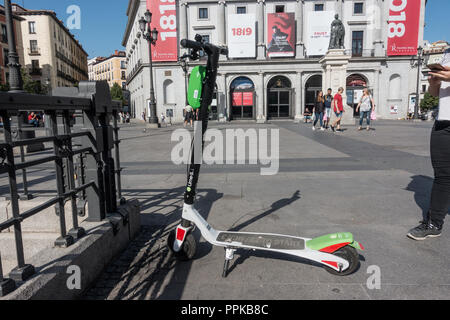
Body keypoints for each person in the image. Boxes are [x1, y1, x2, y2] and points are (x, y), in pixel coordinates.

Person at [407, 49, 450, 240]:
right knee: (442, 175)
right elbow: (435, 93)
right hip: (444, 121)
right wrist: (434, 83)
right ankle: (434, 223)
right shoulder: (447, 54)